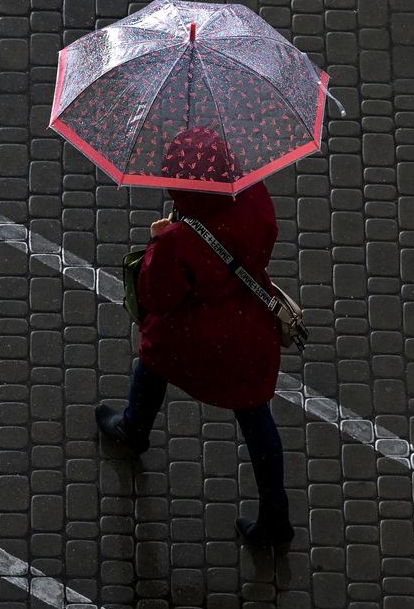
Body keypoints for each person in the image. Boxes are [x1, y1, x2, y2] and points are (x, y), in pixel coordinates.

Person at [95, 127, 293, 550]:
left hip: (194, 335)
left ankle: (134, 430)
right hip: (248, 330)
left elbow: (157, 296)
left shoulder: (181, 241)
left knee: (152, 363)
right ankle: (276, 519)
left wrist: (156, 242)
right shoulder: (253, 196)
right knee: (256, 416)